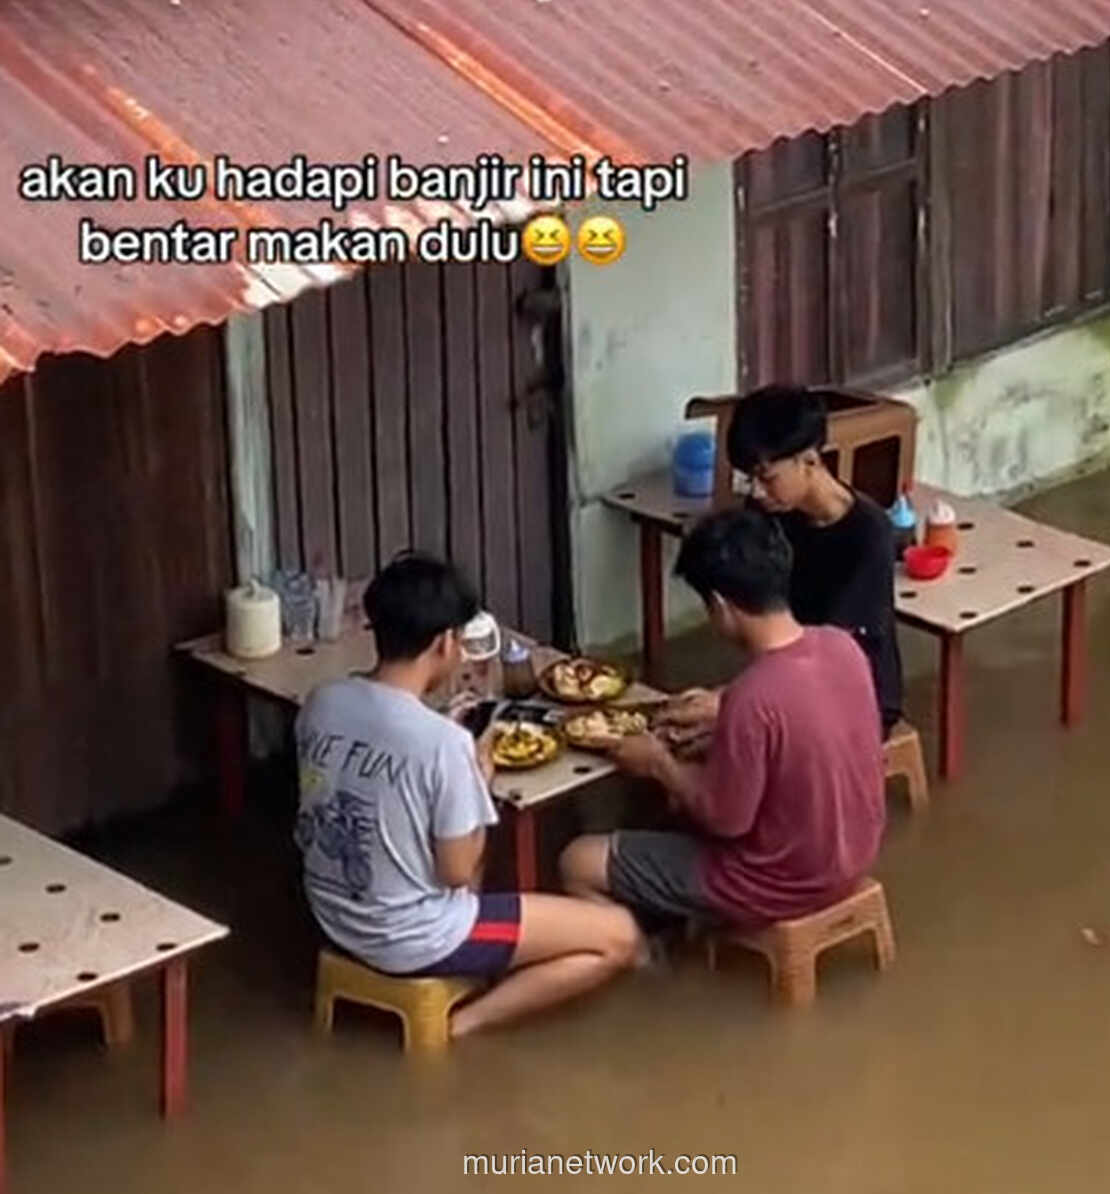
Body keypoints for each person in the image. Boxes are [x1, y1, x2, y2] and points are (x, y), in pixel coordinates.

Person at [294, 552, 639, 1038]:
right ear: (445, 642)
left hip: (331, 914)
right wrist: (477, 781)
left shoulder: (322, 704)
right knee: (619, 936)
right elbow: (455, 871)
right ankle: (461, 1024)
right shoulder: (443, 744)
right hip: (410, 935)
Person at [559, 510, 886, 931]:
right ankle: (671, 922)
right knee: (669, 796)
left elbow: (726, 819)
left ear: (719, 605)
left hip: (778, 883)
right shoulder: (841, 646)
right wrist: (718, 725)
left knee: (577, 861)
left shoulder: (753, 698)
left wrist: (659, 762)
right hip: (852, 854)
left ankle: (641, 960)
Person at [665, 385, 903, 742]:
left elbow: (830, 653)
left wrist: (734, 702)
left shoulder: (868, 535)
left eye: (767, 477)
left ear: (809, 460)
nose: (757, 492)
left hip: (854, 693)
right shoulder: (768, 511)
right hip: (786, 673)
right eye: (751, 478)